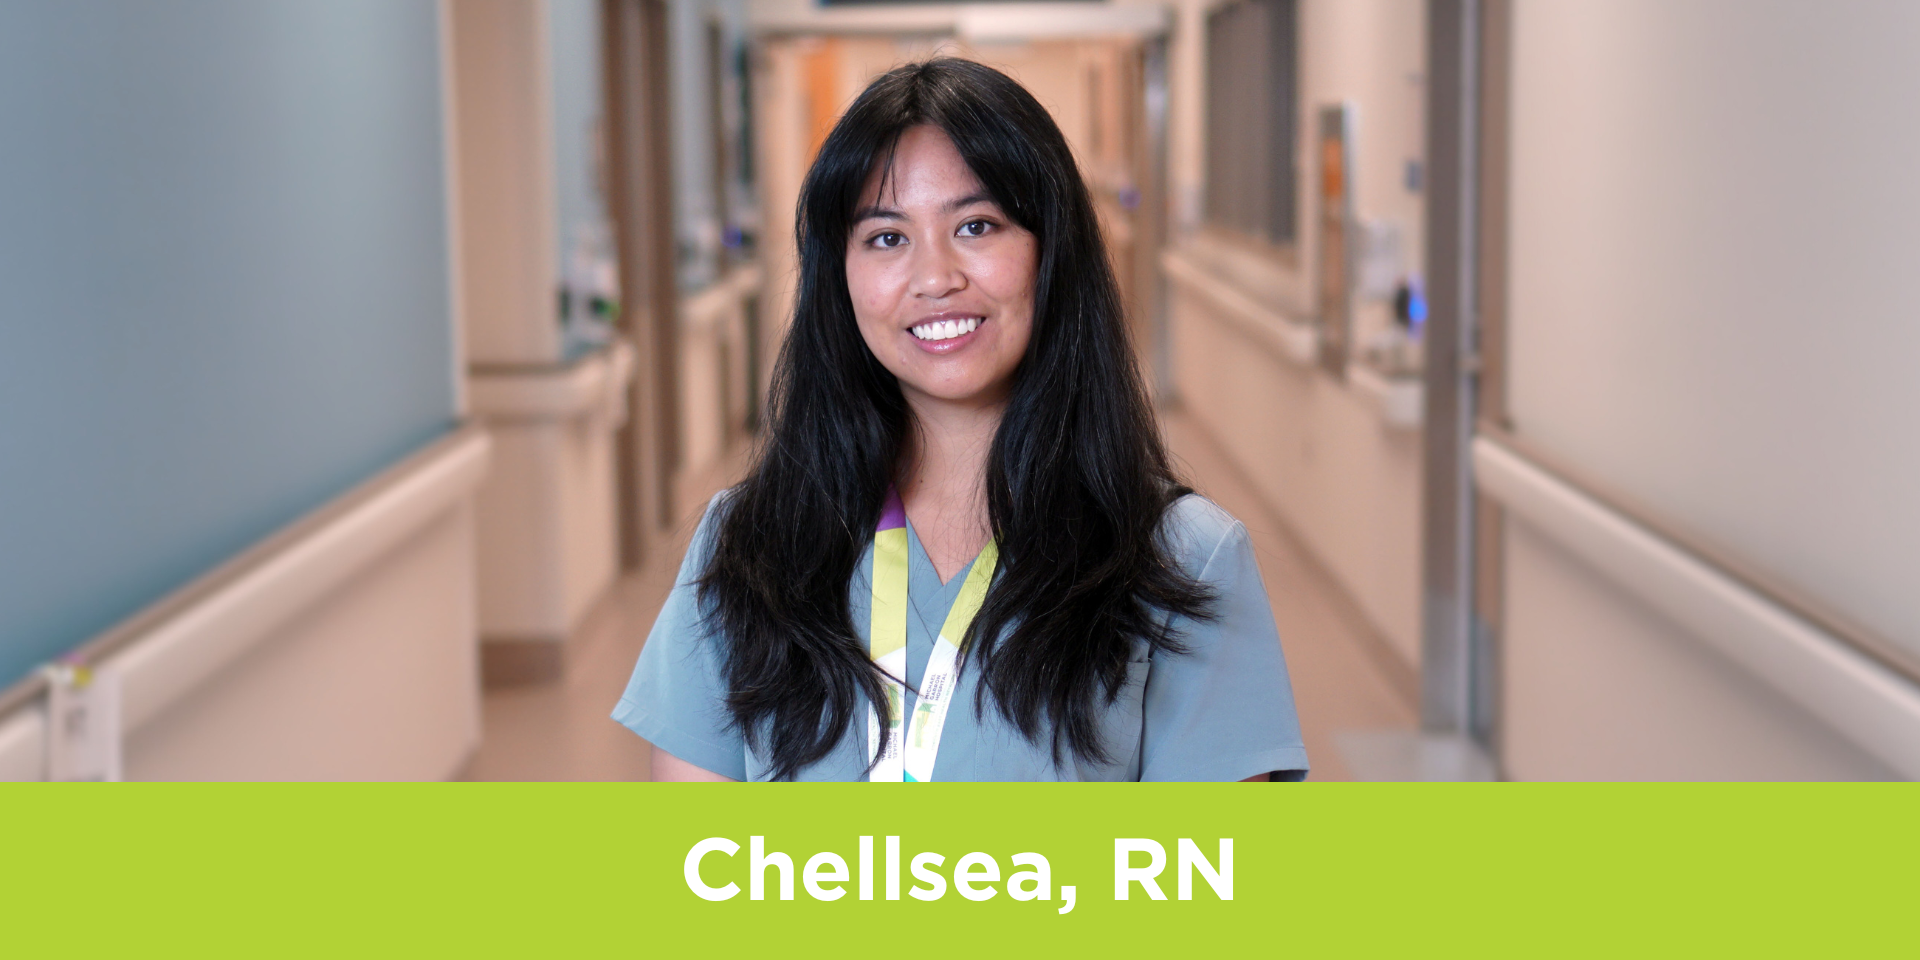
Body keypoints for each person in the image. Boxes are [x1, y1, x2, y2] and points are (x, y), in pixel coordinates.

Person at [613, 58, 1307, 781]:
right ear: (838, 274)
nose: (935, 277)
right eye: (886, 237)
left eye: (976, 226)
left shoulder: (1183, 562)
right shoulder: (747, 548)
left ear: (1049, 253)